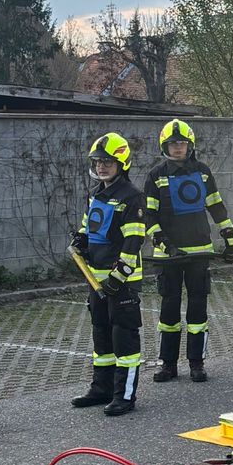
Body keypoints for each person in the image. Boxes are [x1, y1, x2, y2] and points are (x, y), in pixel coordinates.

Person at [144, 119, 233, 383]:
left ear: (190, 145)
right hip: (168, 256)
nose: (177, 148)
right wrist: (164, 243)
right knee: (169, 311)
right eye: (173, 144)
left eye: (182, 143)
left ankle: (197, 363)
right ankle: (168, 364)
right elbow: (149, 216)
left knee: (198, 310)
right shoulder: (156, 175)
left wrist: (230, 237)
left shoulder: (203, 172)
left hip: (199, 253)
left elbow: (217, 207)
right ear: (165, 146)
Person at [69, 133, 144, 416]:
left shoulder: (132, 196)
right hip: (96, 278)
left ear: (121, 164)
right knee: (101, 336)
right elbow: (90, 227)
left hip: (120, 282)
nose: (102, 167)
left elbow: (134, 240)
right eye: (98, 162)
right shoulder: (97, 194)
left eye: (108, 162)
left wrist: (119, 276)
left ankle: (125, 396)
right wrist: (80, 240)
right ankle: (101, 388)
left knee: (124, 337)